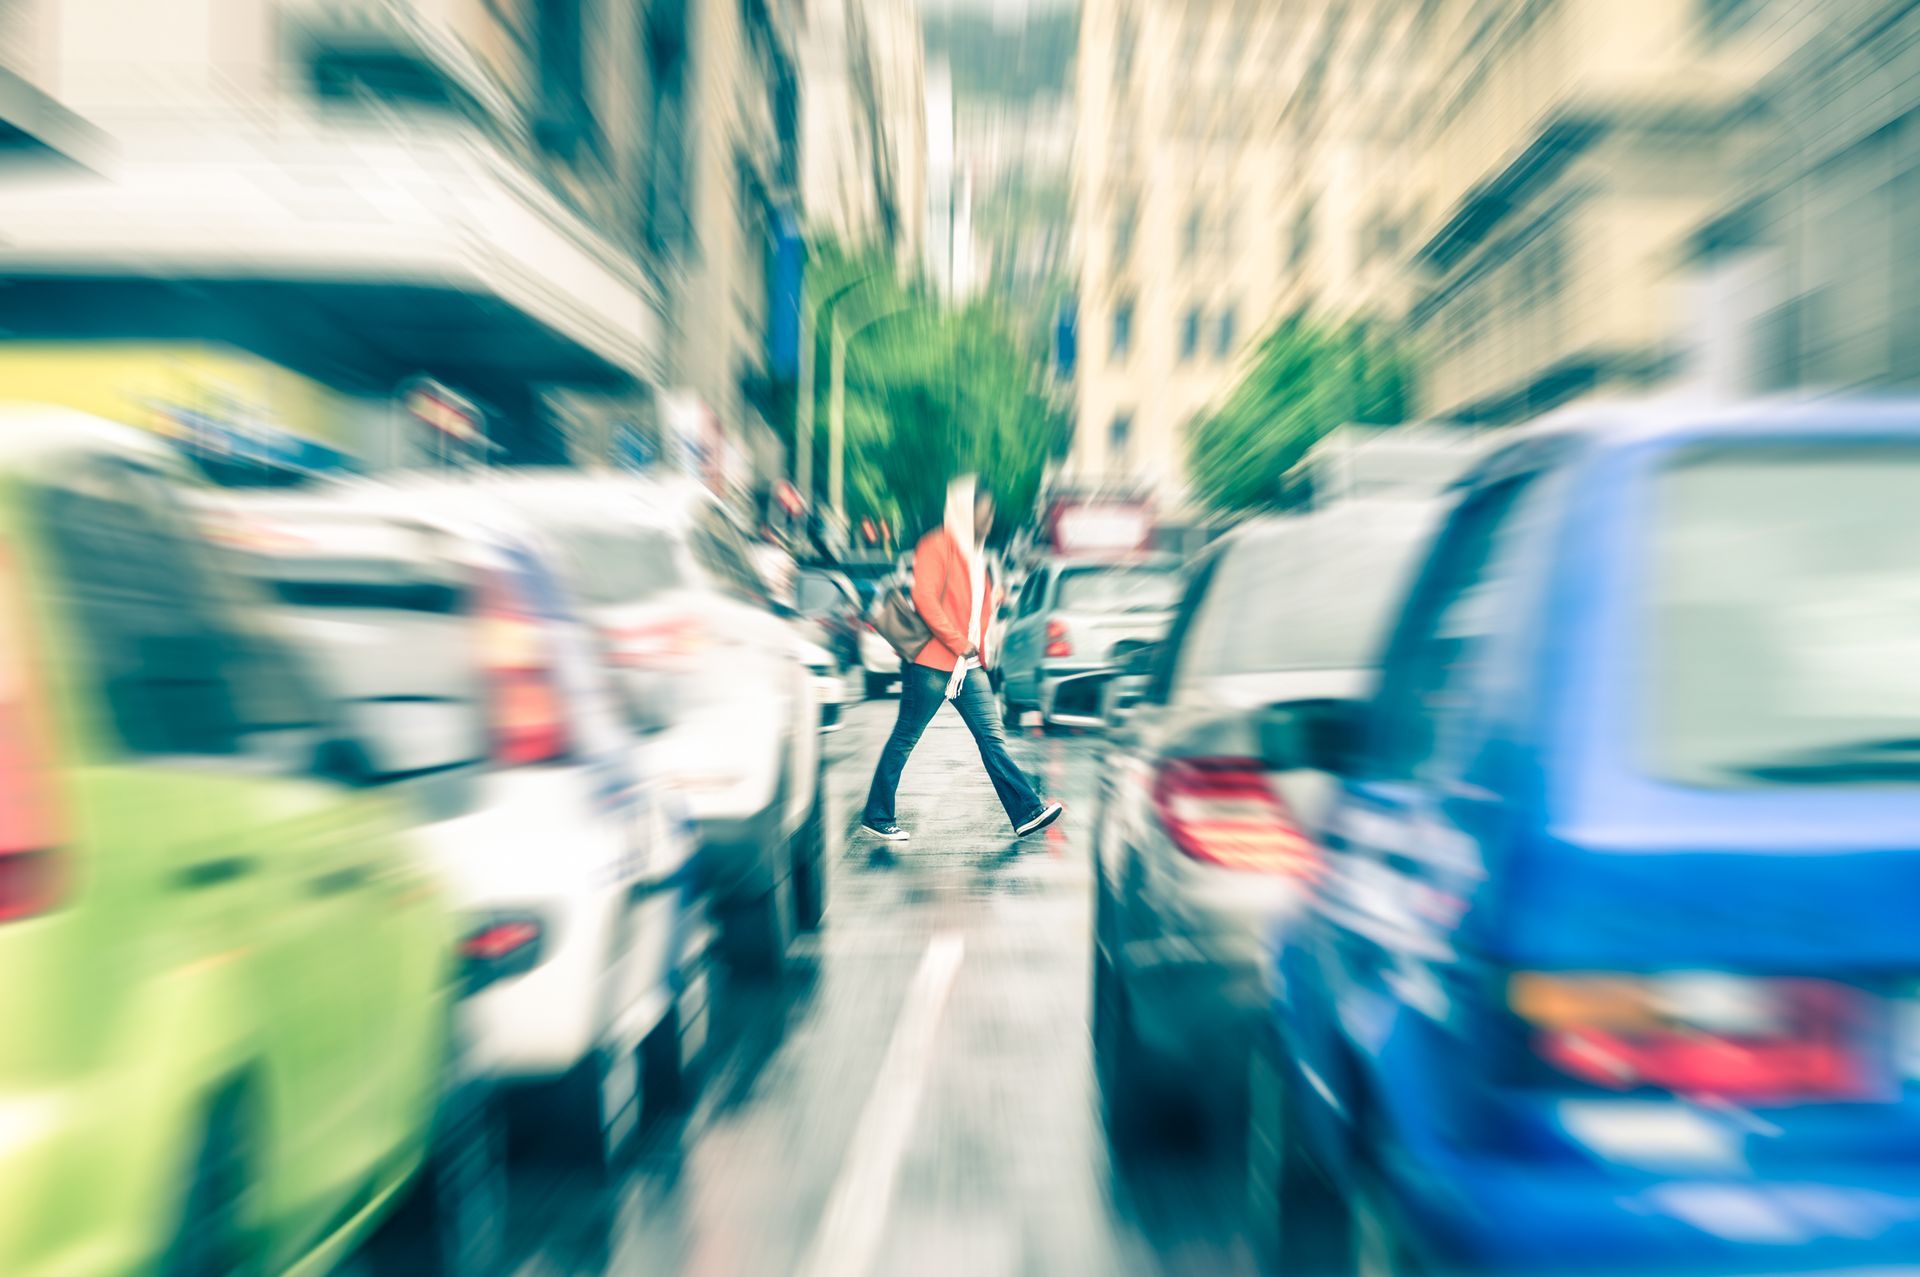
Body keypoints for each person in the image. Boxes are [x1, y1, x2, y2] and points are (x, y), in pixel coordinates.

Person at [860, 475, 1065, 842]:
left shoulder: (974, 554)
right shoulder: (935, 546)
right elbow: (925, 599)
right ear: (963, 511)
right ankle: (877, 815)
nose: (989, 520)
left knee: (992, 739)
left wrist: (979, 650)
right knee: (906, 736)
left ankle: (1027, 811)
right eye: (983, 513)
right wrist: (958, 641)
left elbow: (978, 610)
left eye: (989, 514)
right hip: (932, 661)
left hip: (967, 667)